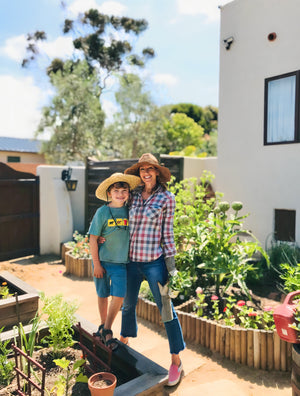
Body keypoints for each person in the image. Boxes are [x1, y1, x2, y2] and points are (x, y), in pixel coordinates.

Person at [120, 153, 186, 386]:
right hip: (131, 263)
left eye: (150, 168)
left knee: (166, 308)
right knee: (127, 305)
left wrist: (172, 268)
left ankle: (176, 360)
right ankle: (123, 344)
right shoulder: (133, 195)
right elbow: (122, 223)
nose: (145, 173)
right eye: (142, 169)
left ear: (157, 172)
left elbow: (167, 234)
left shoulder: (167, 198)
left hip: (155, 263)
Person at [88, 172, 141, 350]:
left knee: (118, 295)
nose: (120, 194)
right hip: (102, 261)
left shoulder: (130, 210)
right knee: (102, 294)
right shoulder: (102, 212)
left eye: (124, 190)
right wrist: (96, 264)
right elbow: (93, 238)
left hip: (120, 263)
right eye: (116, 190)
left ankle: (107, 328)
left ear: (128, 193)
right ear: (110, 193)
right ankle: (104, 326)